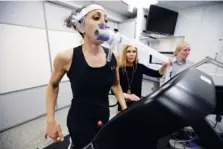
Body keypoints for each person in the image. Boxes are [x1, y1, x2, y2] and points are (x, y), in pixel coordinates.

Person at [45, 4, 127, 149]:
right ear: (80, 26)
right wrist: (50, 120)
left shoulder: (113, 56)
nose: (103, 23)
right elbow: (52, 85)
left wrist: (126, 111)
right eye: (96, 17)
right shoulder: (67, 57)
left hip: (103, 116)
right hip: (79, 120)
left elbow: (116, 85)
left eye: (106, 20)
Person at [117, 44, 171, 110]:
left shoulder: (140, 67)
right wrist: (127, 95)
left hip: (136, 104)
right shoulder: (119, 69)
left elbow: (158, 74)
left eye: (134, 51)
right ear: (124, 53)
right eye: (128, 51)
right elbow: (114, 90)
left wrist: (164, 66)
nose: (131, 54)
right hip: (123, 104)